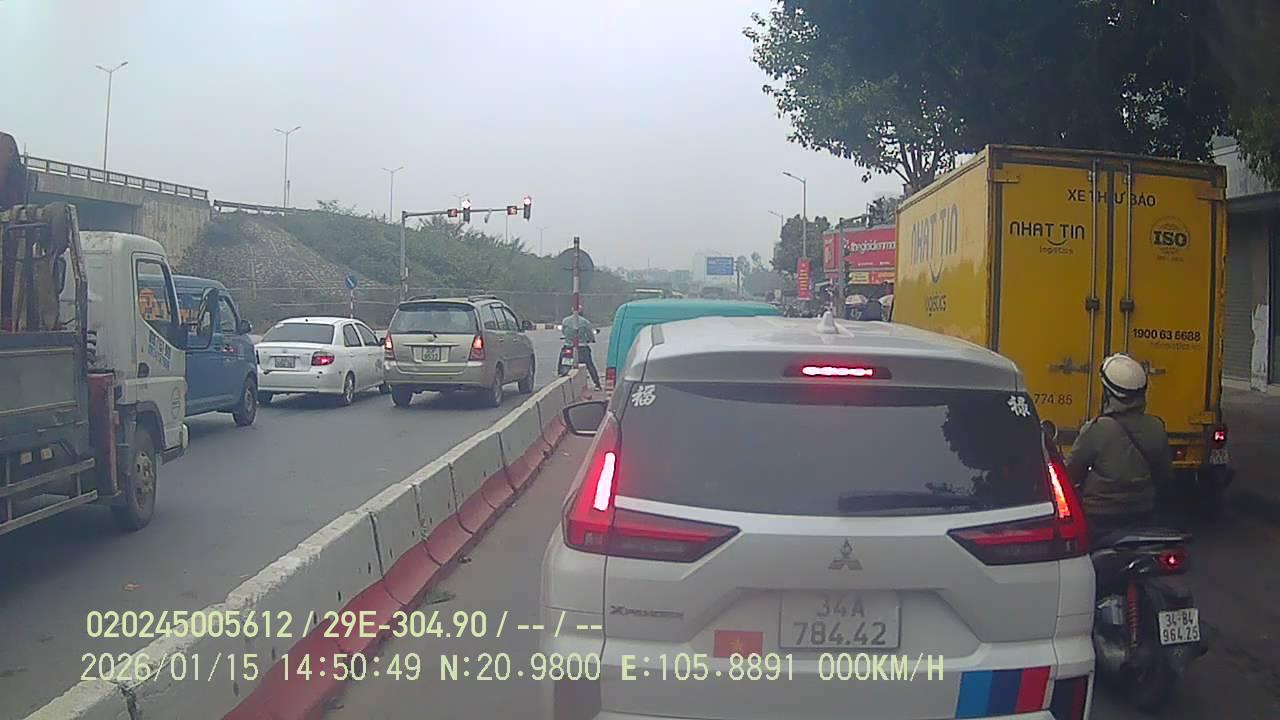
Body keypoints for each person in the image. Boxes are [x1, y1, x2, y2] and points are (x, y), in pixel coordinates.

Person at [1065, 354, 1174, 545]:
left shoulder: (1096, 429)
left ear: (1108, 394)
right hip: (1143, 512)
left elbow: (1071, 474)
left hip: (1099, 516)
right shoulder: (1156, 427)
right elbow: (1165, 475)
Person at [560, 307, 602, 390]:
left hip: (568, 345)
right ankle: (596, 383)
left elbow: (564, 332)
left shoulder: (565, 320)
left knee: (563, 361)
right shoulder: (585, 322)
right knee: (590, 365)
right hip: (582, 347)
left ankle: (560, 372)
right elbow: (590, 334)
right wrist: (591, 339)